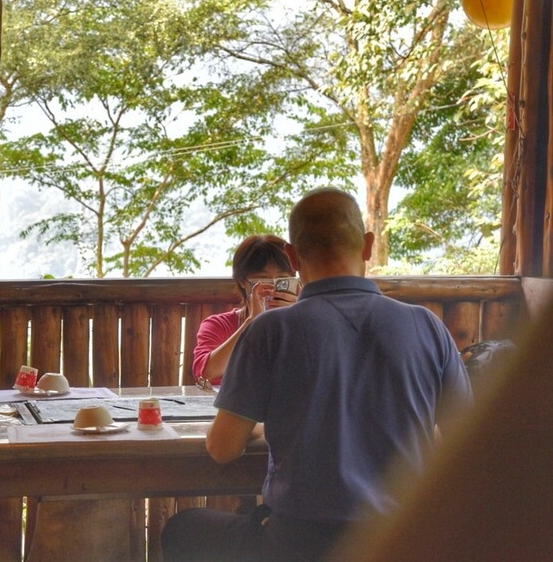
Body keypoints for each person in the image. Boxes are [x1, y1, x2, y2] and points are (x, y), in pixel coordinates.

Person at [162, 187, 473, 561]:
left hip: (302, 545)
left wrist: (267, 427)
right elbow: (467, 442)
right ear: (368, 246)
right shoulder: (426, 325)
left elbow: (223, 449)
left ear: (293, 257)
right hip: (404, 540)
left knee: (184, 530)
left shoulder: (271, 331)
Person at [192, 234, 299, 387]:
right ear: (243, 282)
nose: (273, 287)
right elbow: (205, 373)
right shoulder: (219, 325)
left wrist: (301, 315)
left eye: (282, 280)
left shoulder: (302, 322)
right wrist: (252, 321)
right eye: (263, 279)